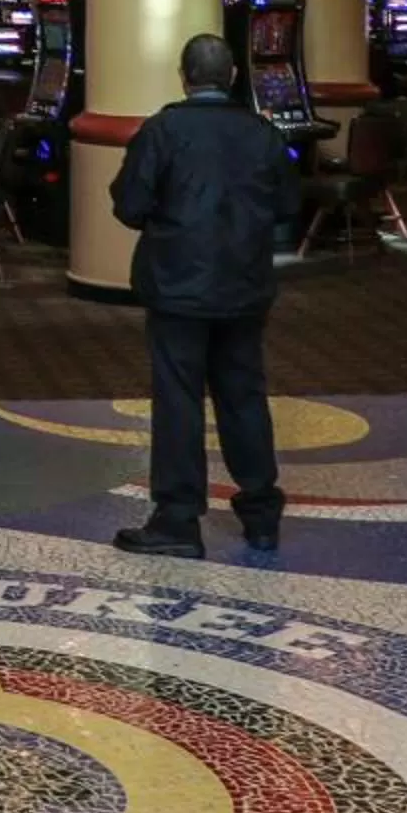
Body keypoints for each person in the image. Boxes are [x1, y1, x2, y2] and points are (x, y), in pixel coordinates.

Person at [108, 32, 305, 559]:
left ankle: (177, 520)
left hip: (177, 287)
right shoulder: (262, 133)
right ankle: (261, 512)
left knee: (179, 401)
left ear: (184, 76)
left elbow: (128, 207)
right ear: (234, 76)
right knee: (243, 397)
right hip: (244, 285)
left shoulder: (163, 130)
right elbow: (290, 204)